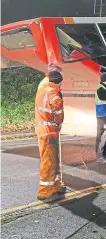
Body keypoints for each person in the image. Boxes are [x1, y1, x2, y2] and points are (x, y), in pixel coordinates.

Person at [35, 70, 67, 200]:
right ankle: (44, 191)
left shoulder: (42, 89)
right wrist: (59, 121)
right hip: (49, 130)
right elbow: (57, 108)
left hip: (44, 129)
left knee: (52, 160)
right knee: (48, 161)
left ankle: (55, 185)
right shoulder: (52, 92)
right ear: (59, 81)